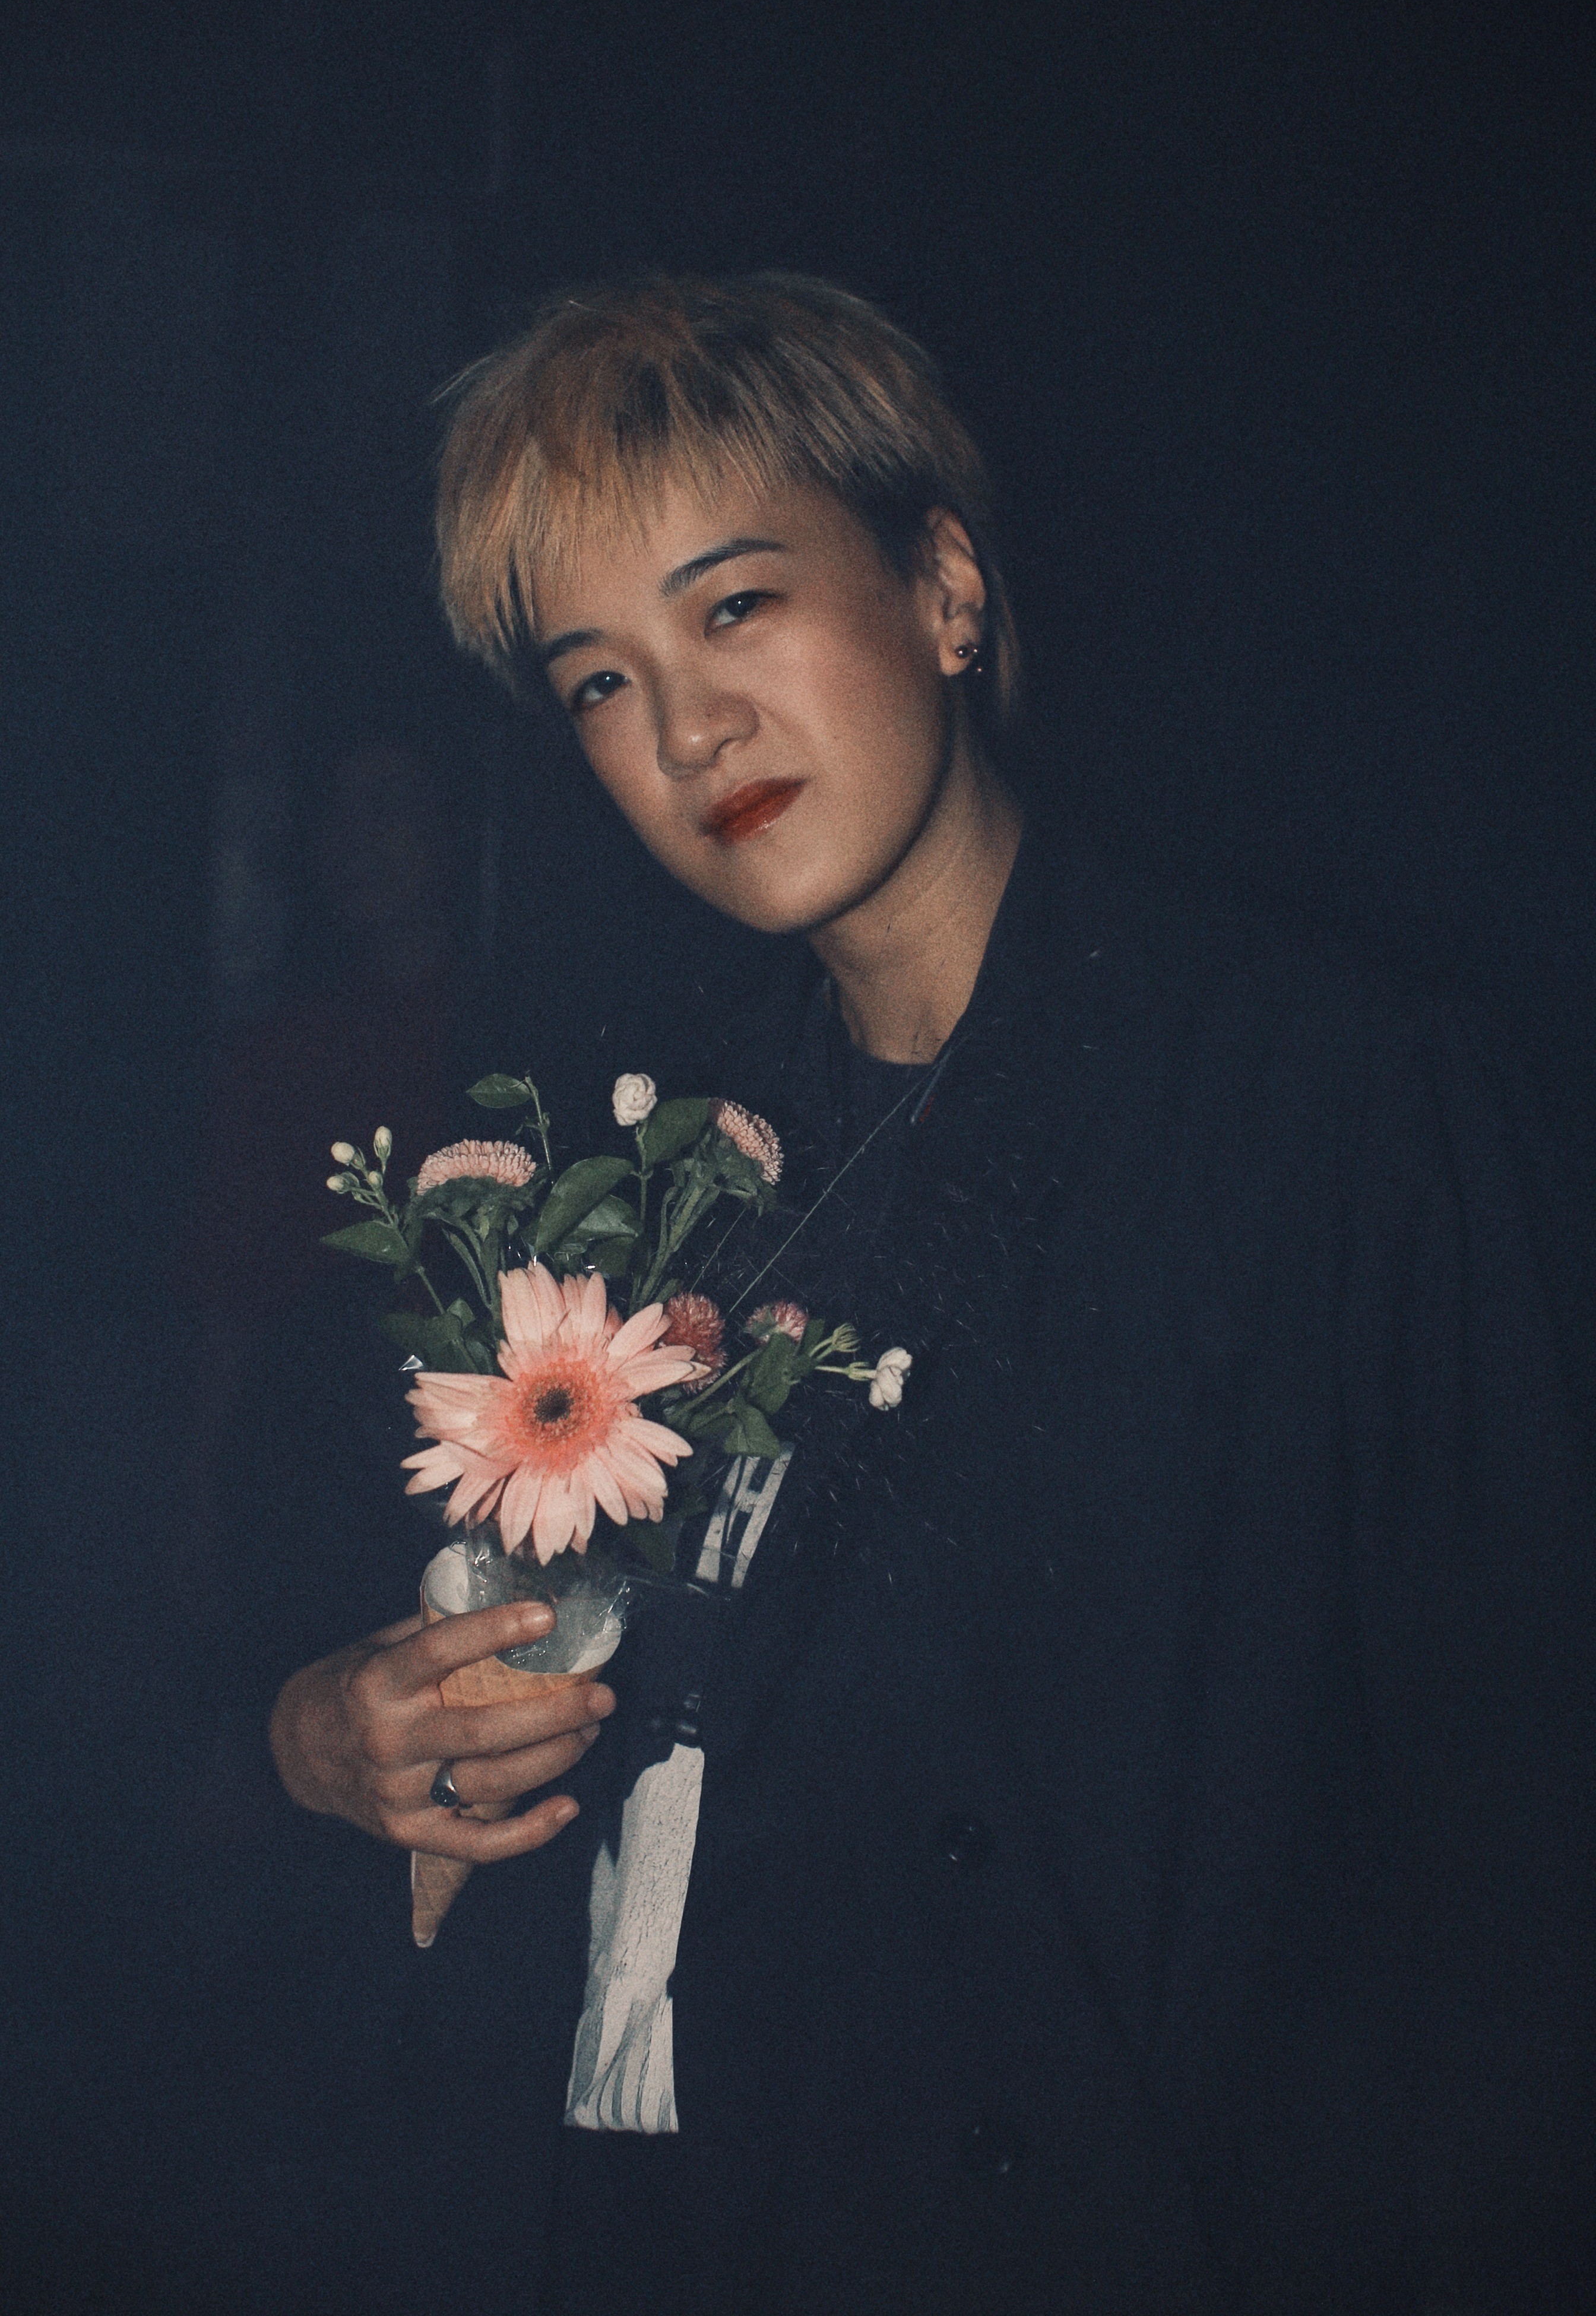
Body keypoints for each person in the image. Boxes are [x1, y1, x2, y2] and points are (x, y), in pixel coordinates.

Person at [269, 274, 1592, 2312]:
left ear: (946, 590)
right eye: (599, 680)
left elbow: (1515, 1875)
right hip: (664, 2214)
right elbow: (495, 1674)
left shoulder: (1331, 1104)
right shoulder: (649, 1160)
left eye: (733, 607)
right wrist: (335, 1736)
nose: (688, 728)